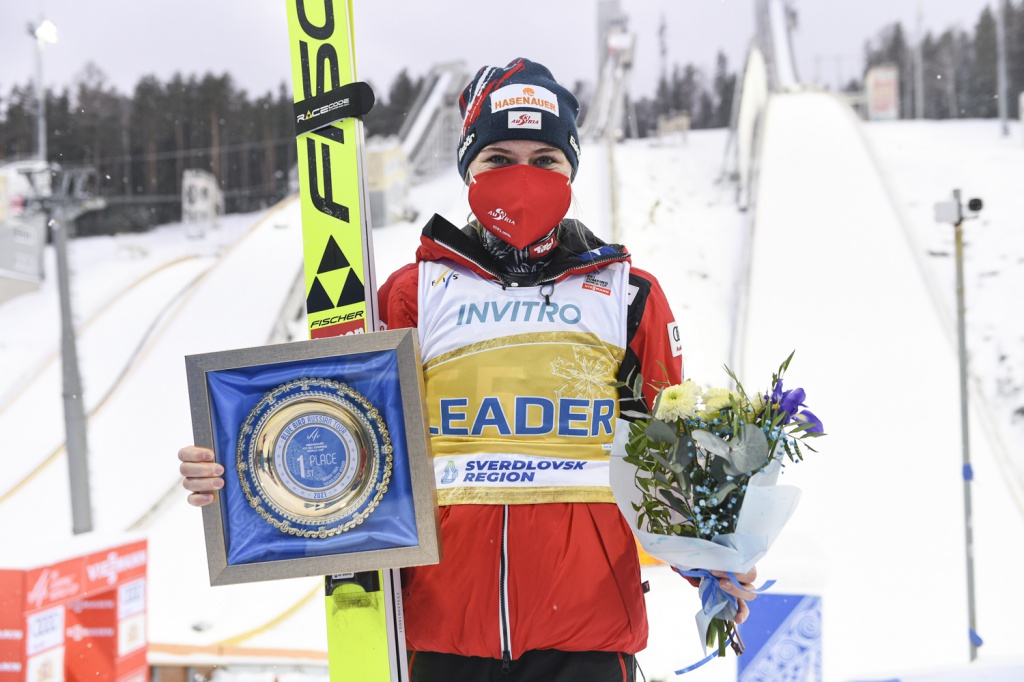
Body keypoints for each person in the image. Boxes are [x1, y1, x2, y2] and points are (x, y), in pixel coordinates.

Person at [179, 58, 757, 682]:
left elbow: (661, 451)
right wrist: (238, 473)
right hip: (443, 633)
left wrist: (709, 556)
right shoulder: (413, 295)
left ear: (571, 170)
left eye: (545, 160)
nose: (522, 178)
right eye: (498, 159)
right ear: (467, 169)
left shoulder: (627, 294)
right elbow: (346, 439)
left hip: (585, 639)